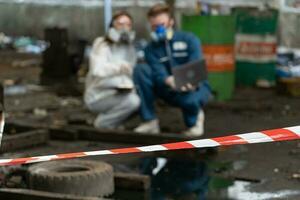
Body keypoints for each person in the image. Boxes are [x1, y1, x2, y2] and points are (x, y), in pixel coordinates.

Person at [134, 4, 211, 136]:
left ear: (171, 22)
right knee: (141, 69)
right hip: (168, 87)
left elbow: (196, 65)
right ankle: (149, 121)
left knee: (191, 100)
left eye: (162, 25)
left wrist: (188, 81)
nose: (158, 29)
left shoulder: (189, 40)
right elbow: (157, 71)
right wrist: (169, 80)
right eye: (154, 26)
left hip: (192, 86)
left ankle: (194, 119)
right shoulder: (150, 49)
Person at [84, 11, 140, 129]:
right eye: (120, 24)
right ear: (112, 26)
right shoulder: (101, 44)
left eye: (128, 24)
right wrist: (120, 67)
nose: (125, 28)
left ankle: (114, 122)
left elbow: (131, 72)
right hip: (98, 95)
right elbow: (98, 70)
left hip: (121, 93)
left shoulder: (130, 48)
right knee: (133, 101)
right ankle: (103, 124)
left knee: (142, 98)